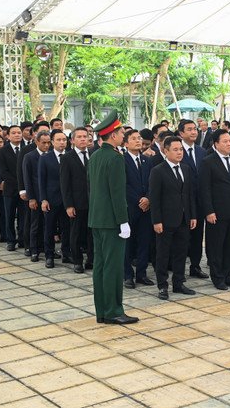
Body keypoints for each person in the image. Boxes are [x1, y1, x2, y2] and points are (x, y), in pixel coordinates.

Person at [88, 110, 138, 325]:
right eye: (121, 132)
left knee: (100, 267)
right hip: (111, 221)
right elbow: (117, 193)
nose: (123, 135)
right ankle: (113, 311)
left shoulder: (95, 156)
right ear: (113, 135)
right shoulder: (116, 158)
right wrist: (123, 220)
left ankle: (102, 310)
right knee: (113, 268)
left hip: (97, 219)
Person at [198, 130, 230, 290]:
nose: (229, 144)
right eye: (225, 141)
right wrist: (209, 211)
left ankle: (228, 275)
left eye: (229, 141)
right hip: (217, 212)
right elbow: (204, 189)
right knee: (216, 246)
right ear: (216, 144)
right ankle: (218, 277)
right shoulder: (208, 162)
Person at [150, 136, 197, 300]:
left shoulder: (185, 169)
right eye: (175, 149)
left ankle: (179, 282)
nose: (179, 152)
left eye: (181, 149)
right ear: (165, 151)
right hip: (165, 220)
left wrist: (192, 215)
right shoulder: (158, 171)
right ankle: (162, 286)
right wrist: (156, 221)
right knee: (163, 254)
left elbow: (189, 194)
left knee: (181, 252)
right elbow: (154, 198)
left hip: (183, 219)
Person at [122, 129, 154, 288]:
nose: (138, 141)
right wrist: (139, 200)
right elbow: (123, 185)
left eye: (139, 138)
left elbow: (151, 182)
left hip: (146, 209)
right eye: (133, 138)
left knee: (144, 241)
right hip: (130, 207)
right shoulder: (122, 160)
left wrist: (148, 198)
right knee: (127, 243)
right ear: (126, 143)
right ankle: (128, 275)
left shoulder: (146, 160)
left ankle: (141, 274)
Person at [179, 118, 209, 280]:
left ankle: (195, 266)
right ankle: (179, 269)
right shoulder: (177, 151)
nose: (193, 132)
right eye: (189, 129)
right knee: (182, 237)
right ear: (181, 133)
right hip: (182, 201)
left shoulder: (202, 151)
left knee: (198, 236)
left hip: (199, 201)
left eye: (194, 129)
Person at [60, 127, 93, 273]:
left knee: (92, 233)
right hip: (76, 202)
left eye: (85, 136)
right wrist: (68, 205)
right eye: (79, 137)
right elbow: (65, 183)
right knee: (76, 233)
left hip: (93, 202)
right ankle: (77, 261)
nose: (83, 139)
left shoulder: (93, 154)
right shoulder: (67, 158)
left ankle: (91, 259)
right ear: (72, 140)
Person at [39, 129, 71, 268]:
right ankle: (49, 255)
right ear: (52, 142)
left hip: (67, 199)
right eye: (58, 140)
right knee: (50, 228)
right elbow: (41, 180)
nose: (62, 142)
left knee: (67, 228)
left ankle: (67, 253)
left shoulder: (70, 156)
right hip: (51, 199)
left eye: (64, 140)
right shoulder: (45, 158)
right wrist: (43, 199)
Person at [23, 130, 51, 261]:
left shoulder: (51, 155)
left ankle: (47, 248)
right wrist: (31, 198)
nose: (46, 145)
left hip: (49, 196)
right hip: (36, 195)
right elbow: (27, 178)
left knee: (48, 225)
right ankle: (34, 249)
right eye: (43, 143)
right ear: (36, 142)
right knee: (35, 224)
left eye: (48, 143)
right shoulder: (29, 157)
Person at [0, 125, 24, 251]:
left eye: (19, 132)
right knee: (9, 216)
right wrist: (18, 183)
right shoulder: (3, 151)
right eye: (14, 133)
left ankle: (23, 239)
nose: (17, 135)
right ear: (8, 136)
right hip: (10, 189)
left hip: (25, 189)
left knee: (23, 217)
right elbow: (3, 171)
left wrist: (23, 185)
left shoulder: (26, 149)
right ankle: (11, 240)